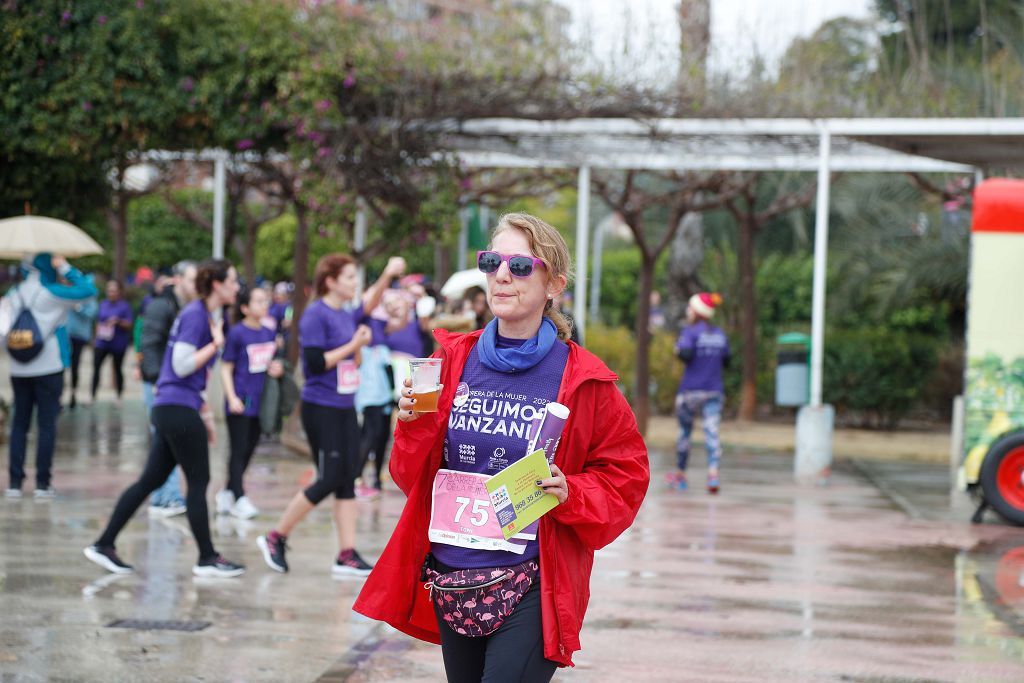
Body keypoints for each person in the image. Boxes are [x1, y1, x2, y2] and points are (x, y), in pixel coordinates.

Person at [352, 213, 649, 681]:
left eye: (520, 265)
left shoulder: (585, 379)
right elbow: (412, 477)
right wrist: (410, 426)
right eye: (492, 261)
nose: (502, 275)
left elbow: (625, 478)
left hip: (534, 578)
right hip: (454, 575)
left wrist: (570, 491)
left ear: (555, 285)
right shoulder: (449, 360)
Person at [84, 259, 245, 578]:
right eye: (233, 281)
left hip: (176, 406)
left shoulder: (209, 316)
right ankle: (207, 558)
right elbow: (183, 364)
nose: (237, 287)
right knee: (198, 482)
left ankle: (104, 544)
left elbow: (197, 373)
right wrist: (215, 345)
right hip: (176, 407)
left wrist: (207, 416)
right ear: (216, 283)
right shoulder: (196, 316)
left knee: (151, 480)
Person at [257, 254, 406, 578]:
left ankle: (347, 553)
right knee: (328, 476)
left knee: (347, 478)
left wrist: (387, 276)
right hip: (320, 407)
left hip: (344, 406)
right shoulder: (315, 315)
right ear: (331, 281)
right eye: (350, 277)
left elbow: (368, 305)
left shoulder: (345, 315)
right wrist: (354, 343)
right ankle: (275, 536)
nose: (355, 283)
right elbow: (313, 364)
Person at [2, 254, 97, 498]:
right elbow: (88, 291)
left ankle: (14, 483)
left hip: (18, 369)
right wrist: (64, 267)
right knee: (46, 426)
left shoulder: (13, 294)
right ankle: (42, 485)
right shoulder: (52, 292)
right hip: (49, 368)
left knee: (19, 425)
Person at [215, 286, 283, 519]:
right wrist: (232, 397)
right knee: (238, 449)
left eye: (266, 301)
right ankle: (239, 496)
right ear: (244, 308)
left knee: (249, 450)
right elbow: (226, 367)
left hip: (261, 403)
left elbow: (271, 362)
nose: (264, 305)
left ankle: (227, 492)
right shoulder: (237, 333)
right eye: (258, 301)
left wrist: (277, 368)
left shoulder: (268, 332)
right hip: (240, 401)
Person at [140, 261, 196, 517]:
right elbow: (149, 344)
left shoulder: (185, 308)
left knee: (164, 443)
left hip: (173, 386)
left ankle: (163, 497)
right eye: (193, 280)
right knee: (166, 441)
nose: (197, 286)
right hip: (160, 385)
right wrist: (155, 380)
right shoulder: (161, 306)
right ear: (178, 280)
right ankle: (166, 497)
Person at [666, 292, 731, 494]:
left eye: (690, 308)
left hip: (690, 392)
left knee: (685, 434)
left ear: (696, 311)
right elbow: (728, 360)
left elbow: (684, 354)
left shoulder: (690, 332)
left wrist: (677, 349)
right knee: (712, 433)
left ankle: (681, 476)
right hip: (713, 391)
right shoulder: (719, 334)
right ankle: (713, 475)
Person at [90, 279, 133, 402]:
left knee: (118, 368)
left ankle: (119, 396)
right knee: (96, 367)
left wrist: (118, 321)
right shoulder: (103, 304)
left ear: (119, 292)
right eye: (109, 290)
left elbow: (129, 324)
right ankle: (93, 396)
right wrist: (96, 336)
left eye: (114, 291)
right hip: (102, 342)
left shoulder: (125, 306)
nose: (111, 293)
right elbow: (98, 321)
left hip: (118, 343)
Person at [65, 276, 98, 409]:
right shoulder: (70, 294)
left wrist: (78, 307)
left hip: (80, 336)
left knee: (75, 365)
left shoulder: (90, 299)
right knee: (62, 364)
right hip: (66, 335)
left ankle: (73, 393)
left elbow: (91, 313)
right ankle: (60, 394)